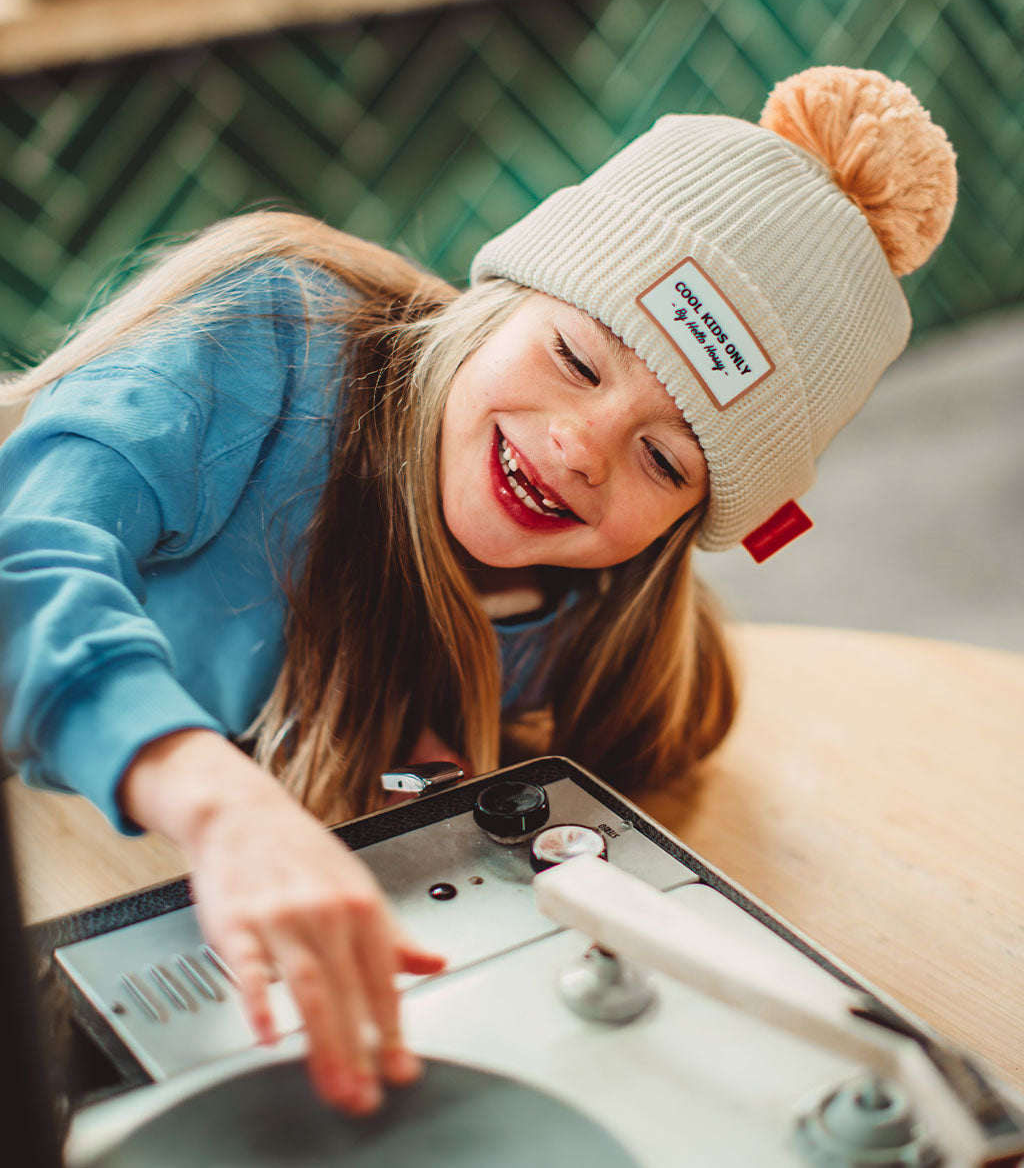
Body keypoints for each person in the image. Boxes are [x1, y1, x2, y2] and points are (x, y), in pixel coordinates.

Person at [0, 66, 956, 1114]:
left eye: (666, 461)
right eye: (574, 358)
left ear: (692, 526)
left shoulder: (587, 630)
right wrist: (226, 809)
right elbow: (29, 557)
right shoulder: (266, 334)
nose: (580, 447)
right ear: (503, 297)